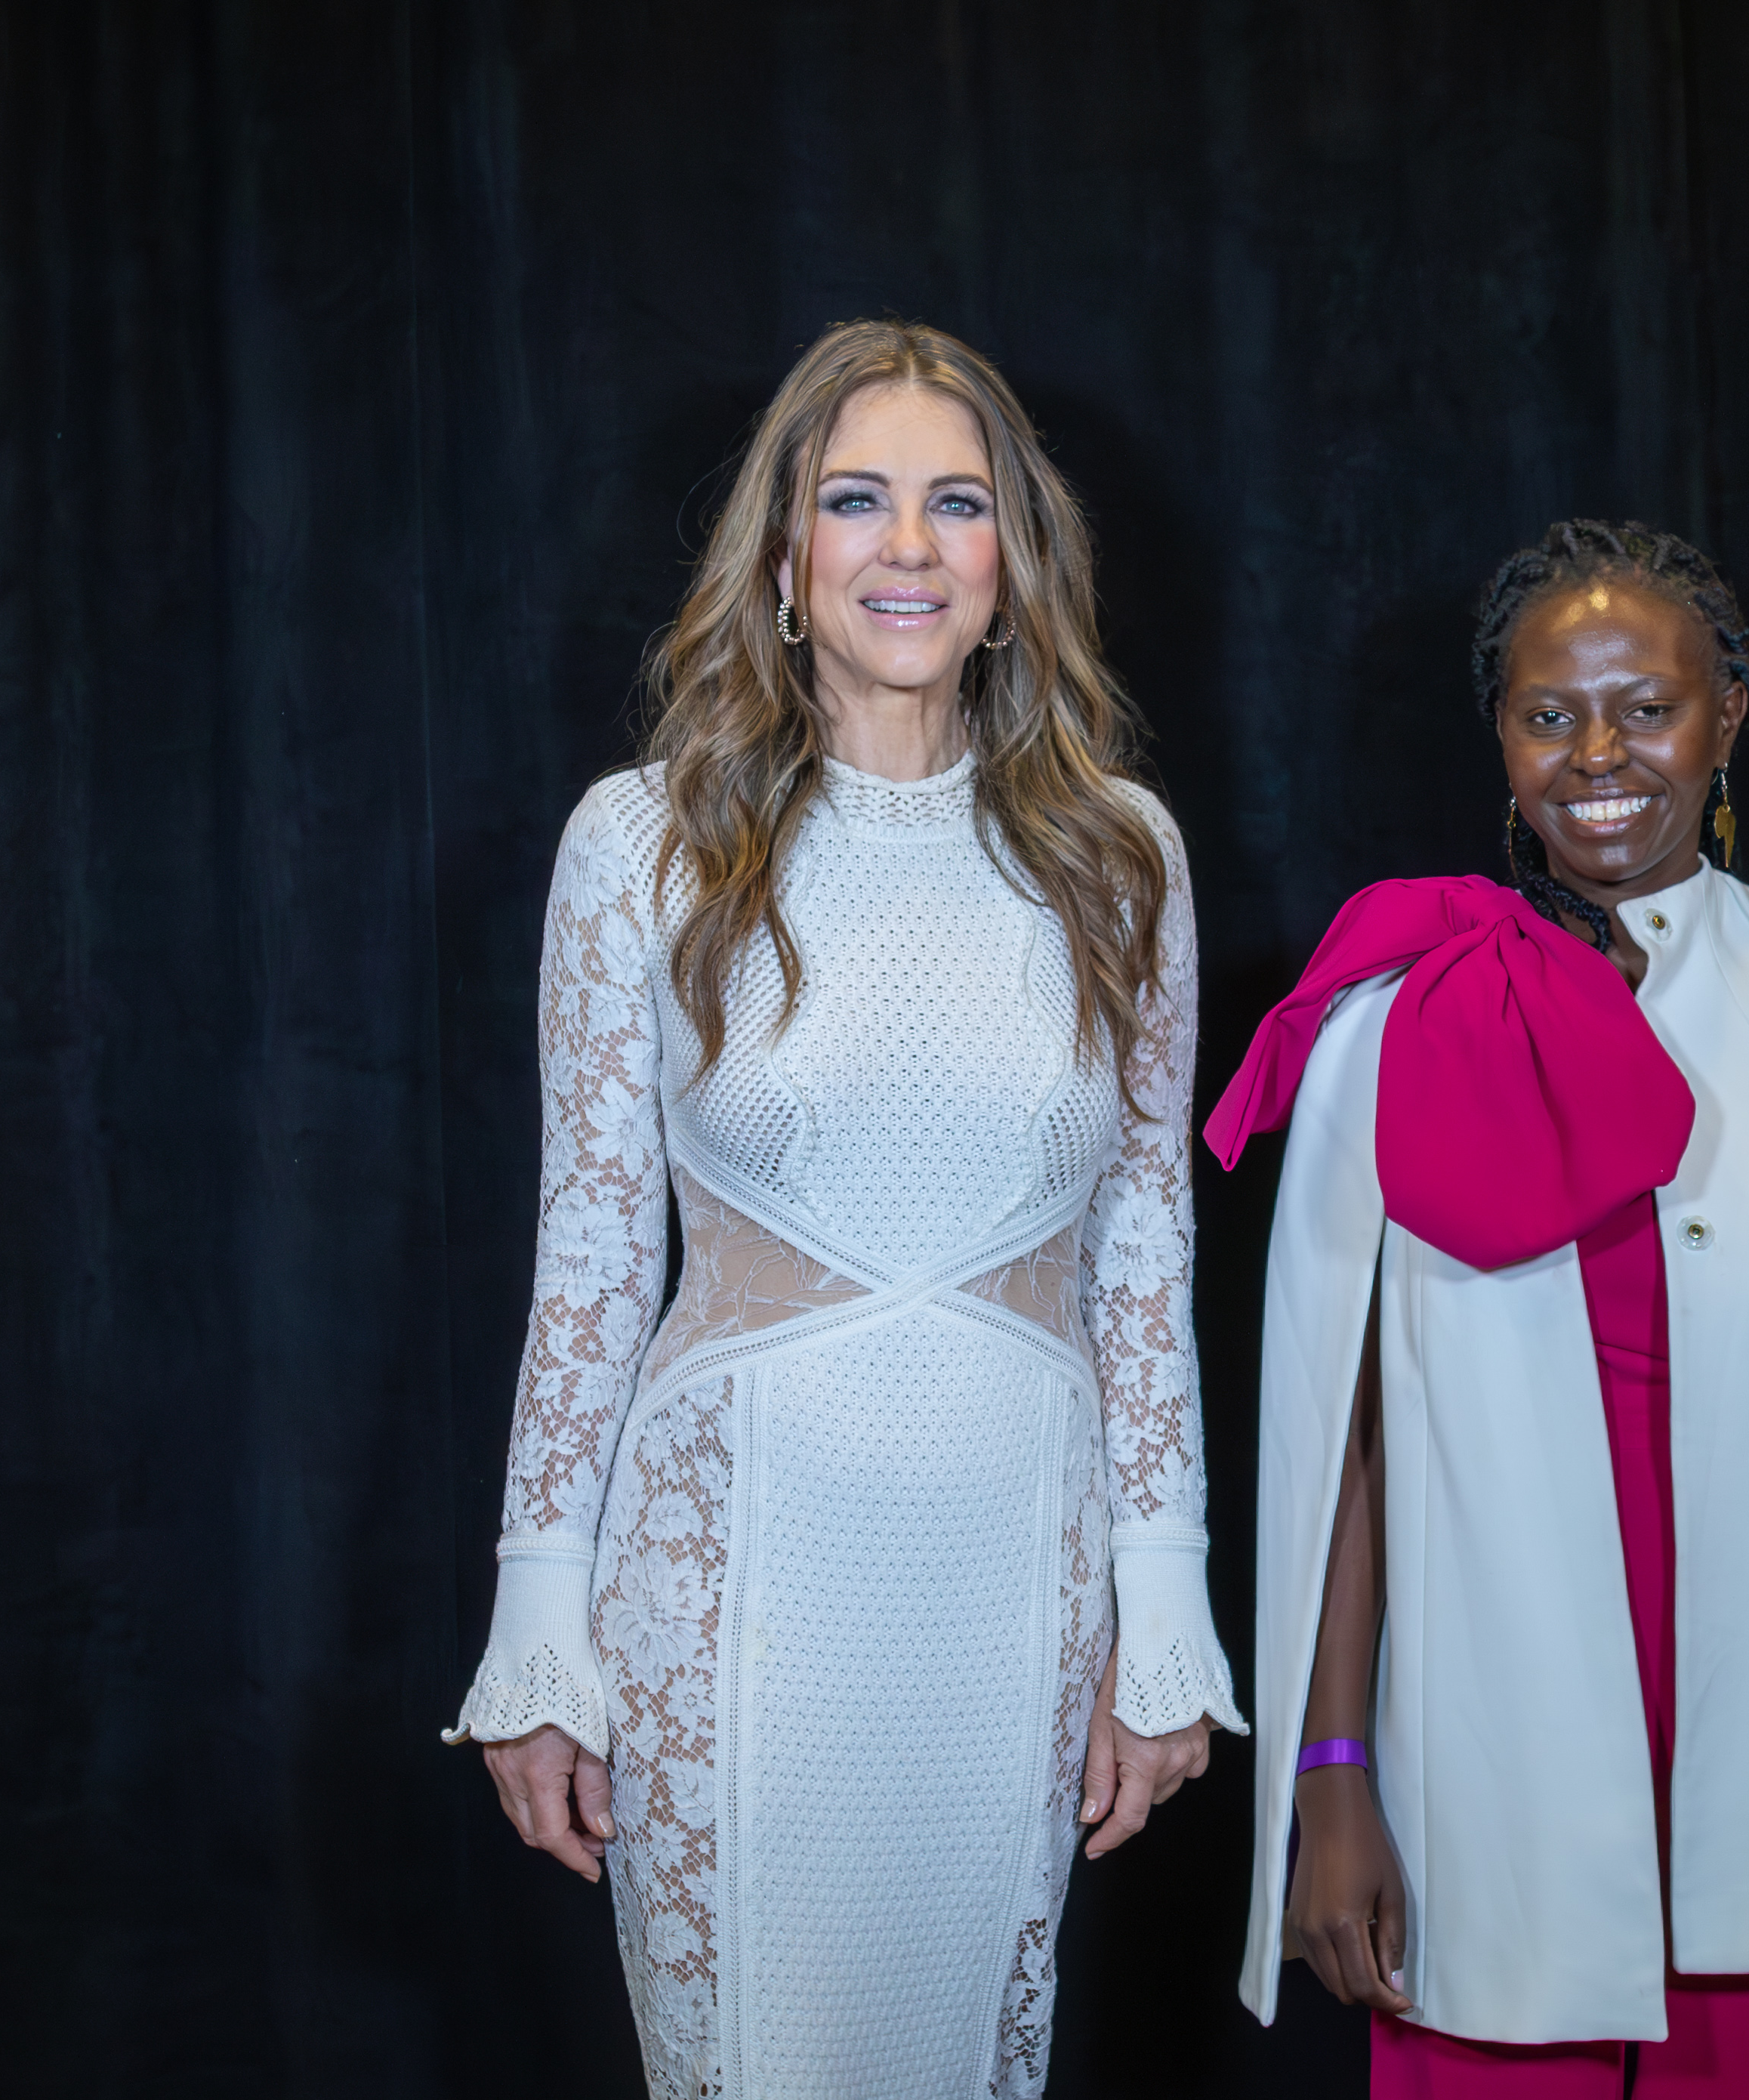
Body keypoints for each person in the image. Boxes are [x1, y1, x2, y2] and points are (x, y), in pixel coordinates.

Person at [446, 320, 1246, 2099]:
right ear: (785, 554)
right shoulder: (641, 843)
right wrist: (538, 1619)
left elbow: (1141, 1247)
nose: (909, 547)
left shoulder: (1121, 854)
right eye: (857, 499)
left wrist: (1165, 1600)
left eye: (957, 504)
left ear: (1013, 559)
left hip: (1012, 1587)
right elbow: (590, 1248)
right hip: (727, 1585)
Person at [1208, 521, 1749, 2095]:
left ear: (1727, 715)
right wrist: (1330, 1773)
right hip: (1493, 1756)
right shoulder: (1391, 1015)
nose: (1599, 755)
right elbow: (1340, 1438)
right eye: (1549, 714)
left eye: (1649, 707)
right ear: (1500, 737)